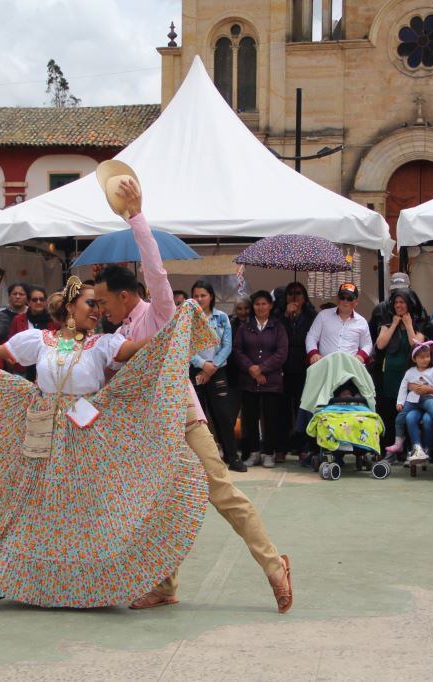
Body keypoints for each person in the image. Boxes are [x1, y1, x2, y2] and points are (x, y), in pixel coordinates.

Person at [92, 171, 291, 614]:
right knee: (155, 507)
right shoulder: (117, 332)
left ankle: (275, 565)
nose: (100, 309)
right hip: (147, 434)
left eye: (104, 301)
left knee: (223, 494)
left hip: (183, 422)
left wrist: (137, 216)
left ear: (126, 296)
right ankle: (164, 586)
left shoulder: (160, 311)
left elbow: (155, 267)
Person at [0, 275, 168, 612]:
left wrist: (178, 325)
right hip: (43, 435)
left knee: (88, 511)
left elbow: (138, 348)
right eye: (91, 303)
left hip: (86, 434)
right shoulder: (40, 340)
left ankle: (93, 584)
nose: (97, 311)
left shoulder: (103, 343)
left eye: (100, 305)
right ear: (70, 305)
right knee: (30, 507)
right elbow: (2, 352)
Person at [189, 280, 244, 472]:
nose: (199, 299)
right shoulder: (188, 318)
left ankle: (232, 457)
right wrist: (202, 365)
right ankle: (200, 461)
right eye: (196, 295)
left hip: (218, 369)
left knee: (223, 415)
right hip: (195, 369)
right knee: (197, 418)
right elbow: (185, 346)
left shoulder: (221, 317)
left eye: (203, 295)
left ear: (211, 296)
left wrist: (212, 366)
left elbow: (227, 345)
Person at [233, 289, 289, 468]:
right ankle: (253, 452)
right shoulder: (244, 327)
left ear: (270, 306)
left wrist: (262, 369)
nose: (261, 307)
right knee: (249, 418)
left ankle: (268, 454)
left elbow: (282, 353)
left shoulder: (278, 327)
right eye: (257, 304)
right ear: (253, 307)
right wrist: (252, 369)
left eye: (264, 304)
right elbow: (238, 351)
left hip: (271, 381)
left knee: (271, 418)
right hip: (248, 381)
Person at [374, 289, 425, 447]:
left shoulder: (418, 323)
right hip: (390, 375)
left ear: (409, 303)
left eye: (402, 302)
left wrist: (408, 325)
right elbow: (381, 344)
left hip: (409, 375)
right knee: (389, 410)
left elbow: (416, 346)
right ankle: (389, 445)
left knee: (406, 410)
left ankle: (408, 447)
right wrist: (395, 323)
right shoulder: (387, 323)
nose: (398, 305)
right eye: (396, 302)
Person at [276, 281, 317, 458]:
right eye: (291, 293)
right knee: (282, 411)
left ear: (304, 296)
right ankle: (282, 447)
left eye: (298, 293)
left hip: (304, 366)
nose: (295, 297)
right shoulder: (278, 315)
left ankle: (303, 446)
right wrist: (286, 316)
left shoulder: (312, 315)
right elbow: (276, 333)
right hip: (283, 367)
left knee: (303, 408)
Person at [398, 342, 433, 464]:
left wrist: (429, 390)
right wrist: (401, 401)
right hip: (415, 403)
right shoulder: (410, 371)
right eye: (422, 357)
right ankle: (416, 449)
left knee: (427, 419)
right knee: (409, 417)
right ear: (414, 359)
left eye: (427, 356)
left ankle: (427, 449)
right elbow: (405, 386)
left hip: (431, 402)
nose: (425, 360)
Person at [306, 283, 374, 365]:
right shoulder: (323, 315)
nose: (345, 301)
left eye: (349, 298)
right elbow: (311, 336)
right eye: (342, 297)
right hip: (326, 366)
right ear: (337, 299)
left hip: (350, 368)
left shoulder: (362, 322)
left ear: (356, 302)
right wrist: (313, 353)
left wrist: (361, 356)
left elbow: (367, 344)